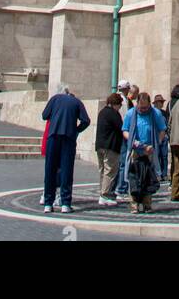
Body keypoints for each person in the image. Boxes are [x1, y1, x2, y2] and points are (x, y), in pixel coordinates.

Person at [41, 85, 90, 214]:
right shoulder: (77, 102)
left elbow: (45, 115)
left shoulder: (54, 99)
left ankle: (48, 203)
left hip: (53, 136)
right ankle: (65, 203)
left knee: (50, 170)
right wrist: (76, 130)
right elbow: (86, 120)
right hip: (68, 138)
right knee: (66, 170)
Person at [121, 92, 166, 214]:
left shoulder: (155, 113)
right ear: (137, 104)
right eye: (141, 108)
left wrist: (158, 142)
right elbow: (125, 131)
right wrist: (134, 142)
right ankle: (134, 204)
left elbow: (162, 130)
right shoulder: (131, 113)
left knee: (148, 177)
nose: (143, 110)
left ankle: (147, 204)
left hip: (150, 151)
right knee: (134, 177)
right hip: (136, 150)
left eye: (146, 108)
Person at [95, 93, 124, 204]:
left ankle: (102, 193)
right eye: (119, 104)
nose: (120, 107)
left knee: (103, 170)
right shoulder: (113, 114)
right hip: (110, 146)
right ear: (115, 104)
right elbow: (121, 127)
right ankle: (105, 195)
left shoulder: (102, 112)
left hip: (100, 146)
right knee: (110, 170)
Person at [153, 94, 169, 179]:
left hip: (164, 137)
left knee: (164, 156)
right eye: (160, 102)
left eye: (162, 102)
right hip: (155, 137)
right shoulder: (152, 113)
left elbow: (167, 124)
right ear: (156, 103)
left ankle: (164, 174)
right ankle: (157, 174)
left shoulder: (164, 113)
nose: (162, 104)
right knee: (157, 156)